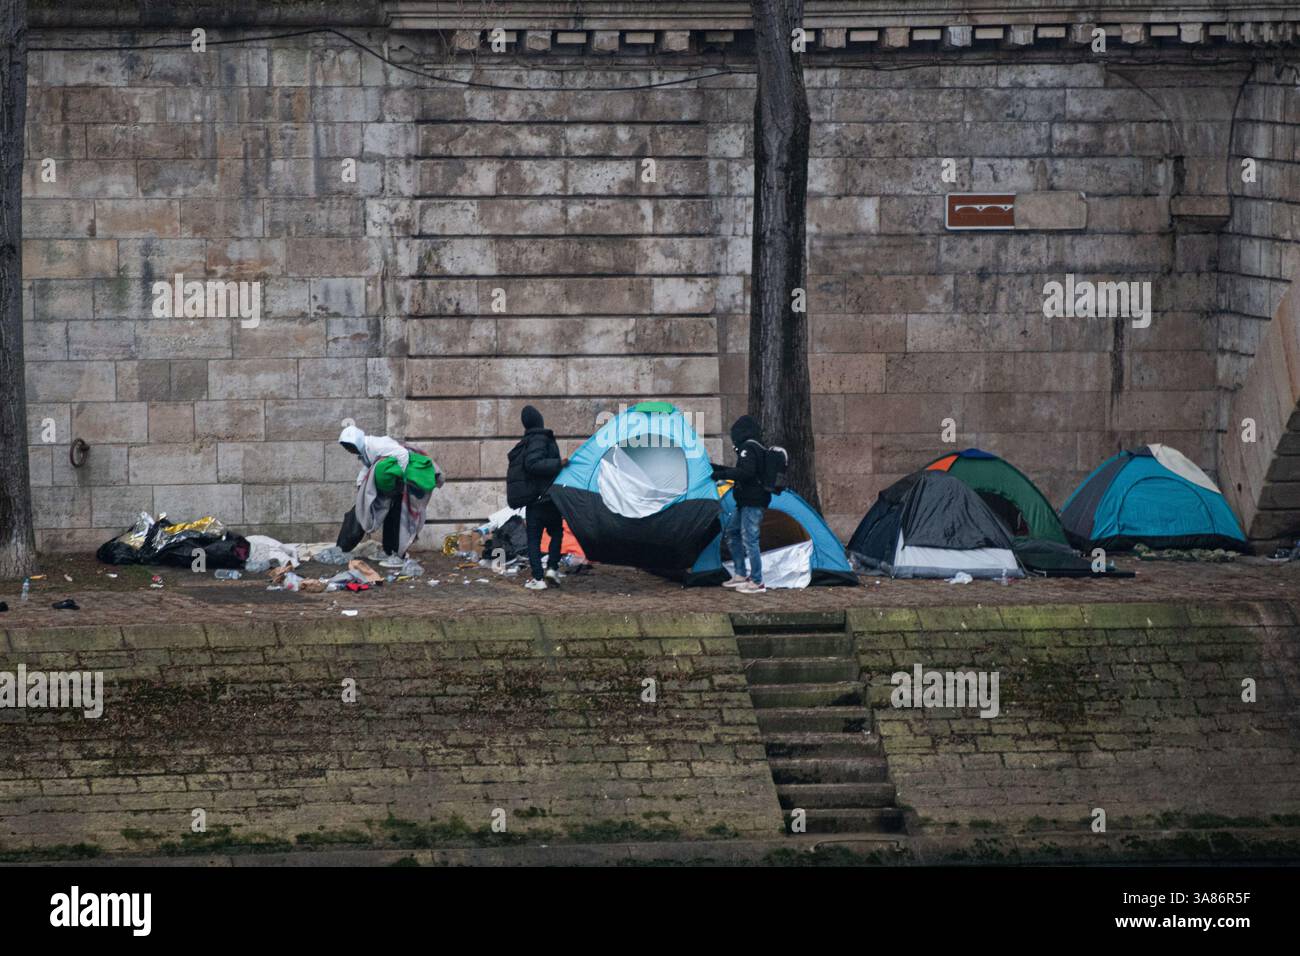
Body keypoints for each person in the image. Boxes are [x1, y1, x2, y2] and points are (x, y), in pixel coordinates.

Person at [337, 424, 442, 564]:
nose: (349, 450)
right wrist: (360, 485)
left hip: (401, 485)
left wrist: (402, 479)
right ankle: (343, 548)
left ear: (357, 442)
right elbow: (368, 467)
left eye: (350, 446)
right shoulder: (365, 450)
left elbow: (402, 454)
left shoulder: (376, 445)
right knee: (365, 513)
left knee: (396, 519)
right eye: (346, 447)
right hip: (389, 488)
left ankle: (393, 553)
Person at [505, 406, 569, 590]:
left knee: (536, 538)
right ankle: (549, 571)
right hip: (545, 498)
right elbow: (533, 464)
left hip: (540, 500)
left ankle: (542, 576)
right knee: (553, 533)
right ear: (539, 420)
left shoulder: (531, 441)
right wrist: (558, 463)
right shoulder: (541, 439)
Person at [711, 415, 770, 594]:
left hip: (753, 502)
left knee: (750, 539)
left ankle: (757, 581)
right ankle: (740, 574)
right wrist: (717, 469)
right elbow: (742, 471)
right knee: (732, 533)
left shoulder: (748, 448)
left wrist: (722, 475)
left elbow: (745, 472)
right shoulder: (755, 447)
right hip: (745, 501)